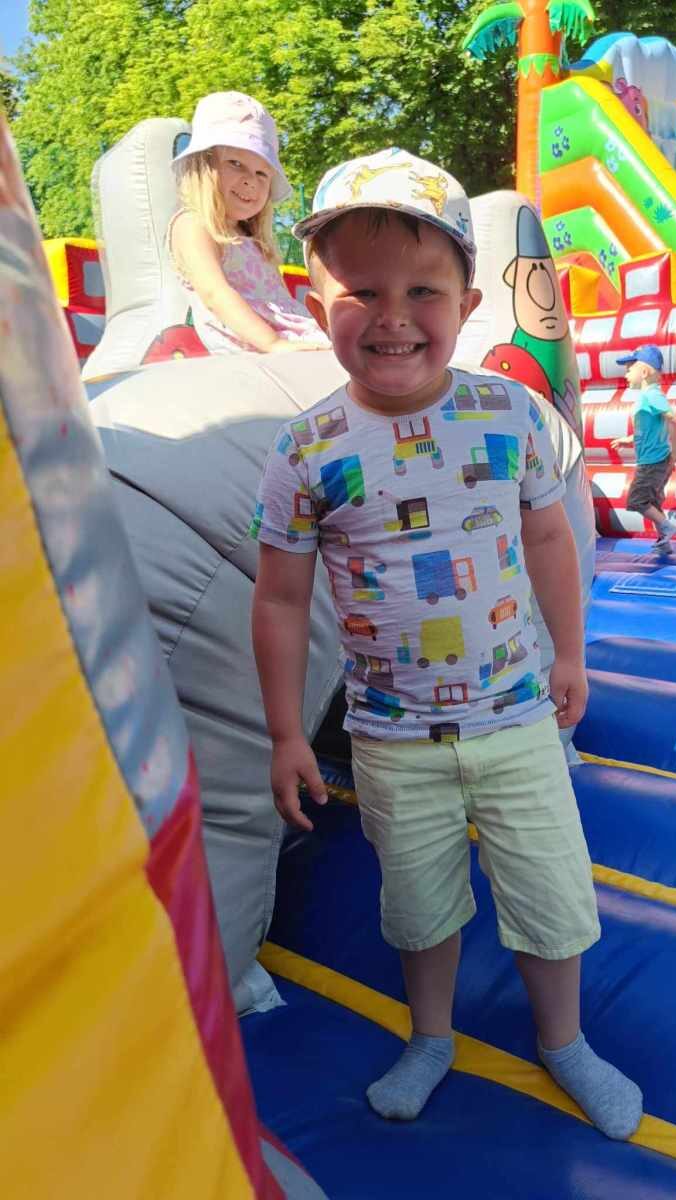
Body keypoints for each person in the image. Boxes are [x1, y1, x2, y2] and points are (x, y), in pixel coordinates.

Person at [250, 147, 643, 1140]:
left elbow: (549, 539)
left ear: (467, 304)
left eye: (422, 291)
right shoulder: (307, 450)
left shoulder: (506, 413)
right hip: (392, 739)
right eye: (361, 290)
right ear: (316, 304)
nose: (392, 316)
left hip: (516, 720)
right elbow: (281, 600)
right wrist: (287, 733)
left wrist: (568, 654)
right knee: (418, 908)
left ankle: (563, 1041)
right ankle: (432, 1036)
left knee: (551, 897)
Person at [168, 91, 329, 355]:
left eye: (262, 173)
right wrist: (273, 343)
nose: (250, 181)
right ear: (203, 165)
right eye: (236, 163)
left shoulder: (250, 236)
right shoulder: (194, 224)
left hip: (283, 334)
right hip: (254, 344)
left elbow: (279, 301)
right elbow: (214, 293)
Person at [611, 344, 676, 553]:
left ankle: (667, 527)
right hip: (655, 459)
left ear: (643, 372)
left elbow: (672, 419)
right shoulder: (647, 397)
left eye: (629, 369)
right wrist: (629, 440)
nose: (626, 374)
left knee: (637, 499)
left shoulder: (651, 395)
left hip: (653, 462)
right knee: (652, 501)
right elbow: (649, 431)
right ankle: (664, 543)